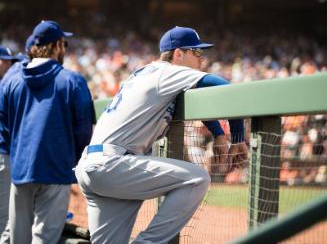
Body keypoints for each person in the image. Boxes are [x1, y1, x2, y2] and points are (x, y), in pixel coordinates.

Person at [75, 26, 248, 244]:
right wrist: (238, 137)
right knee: (197, 179)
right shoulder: (166, 72)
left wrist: (219, 134)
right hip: (114, 164)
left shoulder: (147, 74)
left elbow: (189, 97)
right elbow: (226, 88)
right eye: (197, 53)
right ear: (179, 53)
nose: (201, 60)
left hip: (94, 167)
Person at [0, 20, 95, 244]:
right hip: (56, 169)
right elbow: (83, 129)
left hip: (20, 168)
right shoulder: (73, 80)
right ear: (56, 46)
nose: (64, 48)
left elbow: (3, 126)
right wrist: (73, 162)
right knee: (44, 239)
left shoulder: (10, 81)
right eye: (64, 43)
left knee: (17, 238)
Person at [0, 46, 18, 238]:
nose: (8, 65)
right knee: (4, 218)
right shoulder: (5, 85)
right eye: (5, 61)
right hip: (3, 153)